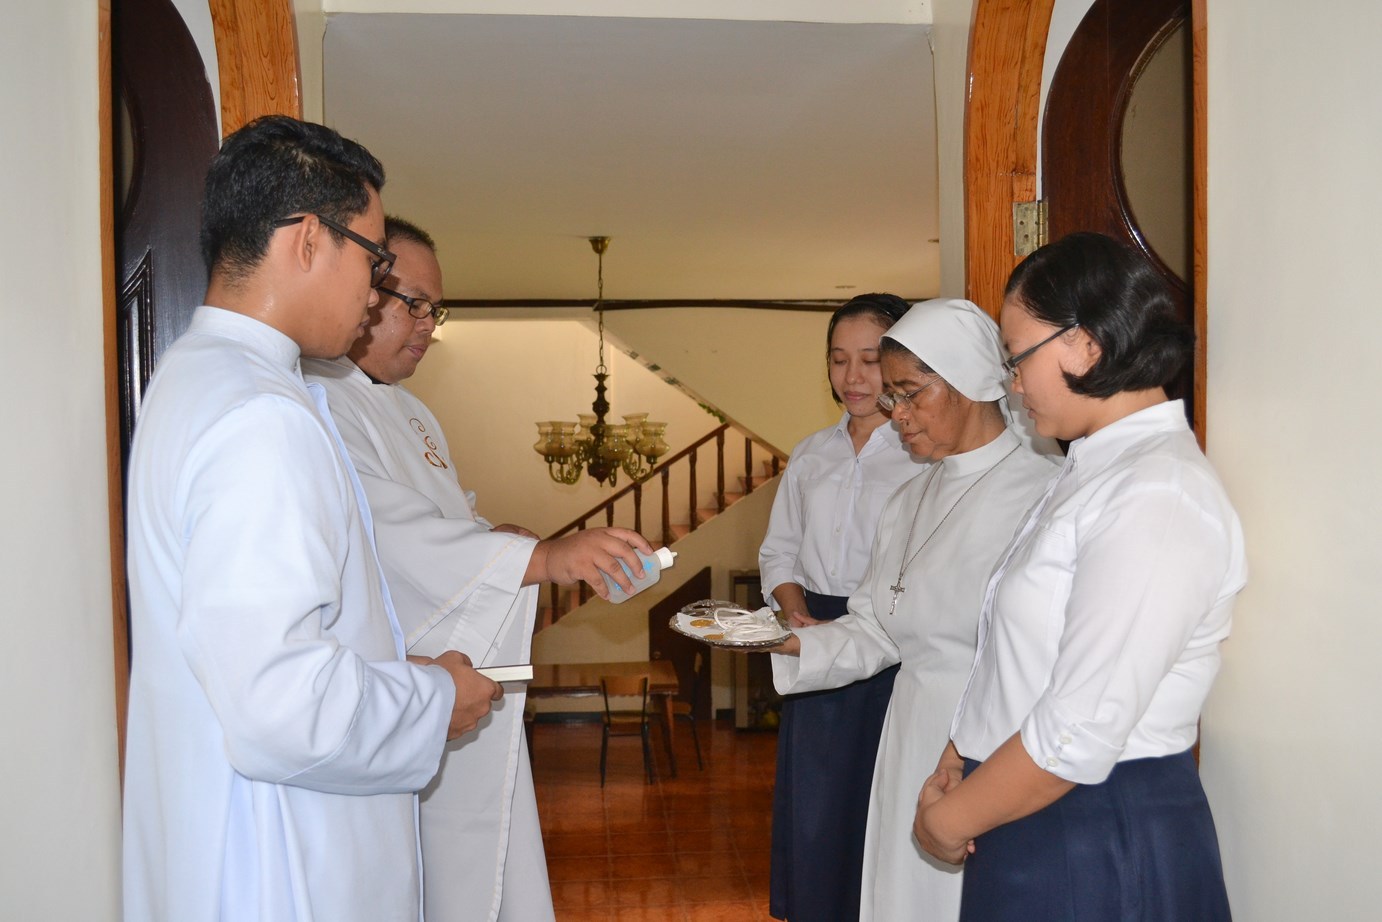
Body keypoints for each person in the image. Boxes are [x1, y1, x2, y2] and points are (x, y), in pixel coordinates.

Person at [123, 116, 501, 921]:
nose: (375, 289)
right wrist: (434, 700)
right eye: (373, 259)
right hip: (280, 863)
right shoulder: (261, 416)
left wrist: (397, 667)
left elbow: (261, 641)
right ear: (306, 240)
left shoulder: (194, 378)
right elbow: (280, 704)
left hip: (225, 835)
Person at [303, 217, 650, 922]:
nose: (428, 326)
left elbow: (443, 524)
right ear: (363, 290)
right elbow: (387, 533)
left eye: (436, 309)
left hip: (445, 681)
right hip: (383, 696)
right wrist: (542, 558)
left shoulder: (414, 414)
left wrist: (494, 539)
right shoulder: (317, 401)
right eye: (414, 303)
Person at [913, 232, 1247, 921]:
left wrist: (948, 820)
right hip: (1035, 808)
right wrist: (960, 752)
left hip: (1097, 826)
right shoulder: (1092, 467)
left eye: (1018, 359)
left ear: (1085, 343)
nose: (1013, 385)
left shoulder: (1157, 491)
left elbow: (1078, 727)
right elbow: (1021, 653)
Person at [769, 298, 1059, 921]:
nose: (895, 414)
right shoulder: (909, 497)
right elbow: (878, 627)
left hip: (989, 743)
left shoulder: (1044, 492)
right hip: (907, 736)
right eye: (891, 396)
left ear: (968, 382)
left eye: (908, 394)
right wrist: (781, 642)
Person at [757, 293, 924, 922]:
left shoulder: (921, 454)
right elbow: (779, 551)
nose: (853, 377)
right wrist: (795, 612)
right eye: (838, 359)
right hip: (812, 640)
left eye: (871, 360)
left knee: (878, 803)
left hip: (890, 647)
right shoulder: (810, 454)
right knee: (817, 808)